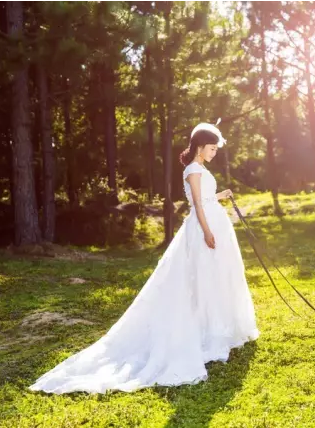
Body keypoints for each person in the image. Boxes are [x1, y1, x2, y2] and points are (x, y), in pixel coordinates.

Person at [30, 123, 259, 394]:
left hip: (213, 221)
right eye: (211, 148)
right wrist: (208, 232)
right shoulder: (193, 170)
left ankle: (216, 328)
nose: (213, 153)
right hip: (203, 228)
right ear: (200, 146)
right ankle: (203, 333)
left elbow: (206, 198)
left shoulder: (202, 169)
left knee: (218, 278)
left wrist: (222, 195)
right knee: (203, 279)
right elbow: (196, 205)